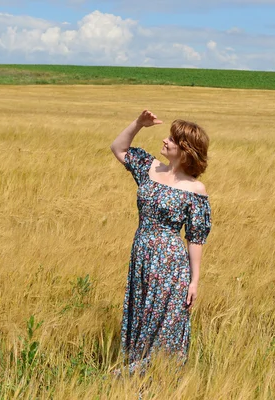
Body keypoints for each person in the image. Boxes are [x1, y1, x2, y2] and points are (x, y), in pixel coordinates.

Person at [110, 110, 212, 376]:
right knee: (141, 311)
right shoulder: (149, 167)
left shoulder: (195, 190)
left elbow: (196, 238)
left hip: (171, 263)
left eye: (172, 139)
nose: (165, 141)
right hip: (142, 254)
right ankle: (136, 373)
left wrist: (194, 281)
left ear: (185, 150)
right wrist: (138, 124)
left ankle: (154, 376)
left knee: (165, 319)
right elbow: (118, 147)